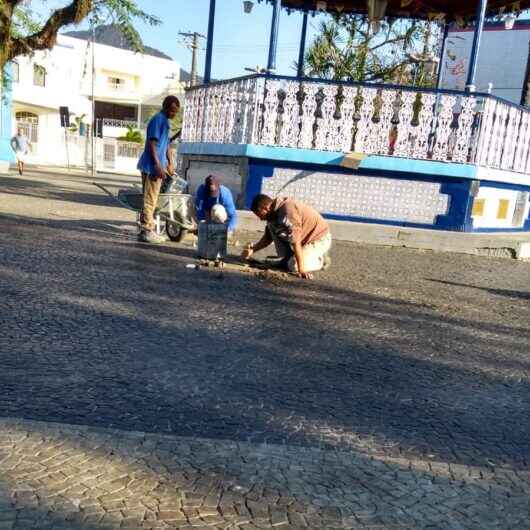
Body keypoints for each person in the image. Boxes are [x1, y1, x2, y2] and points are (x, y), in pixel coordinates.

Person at [242, 194, 331, 280]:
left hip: (319, 239)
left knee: (294, 266)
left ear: (266, 208)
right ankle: (288, 259)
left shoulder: (288, 211)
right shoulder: (273, 213)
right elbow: (268, 238)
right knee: (271, 225)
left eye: (259, 215)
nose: (260, 219)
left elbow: (296, 241)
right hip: (303, 240)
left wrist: (301, 269)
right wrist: (252, 250)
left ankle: (321, 260)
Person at [137, 95, 180, 243]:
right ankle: (147, 230)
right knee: (150, 199)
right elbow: (152, 144)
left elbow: (166, 144)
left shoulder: (166, 123)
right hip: (151, 167)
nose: (174, 114)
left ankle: (146, 228)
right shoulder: (158, 120)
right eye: (172, 111)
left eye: (176, 112)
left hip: (158, 165)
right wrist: (157, 165)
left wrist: (170, 162)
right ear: (165, 107)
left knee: (154, 199)